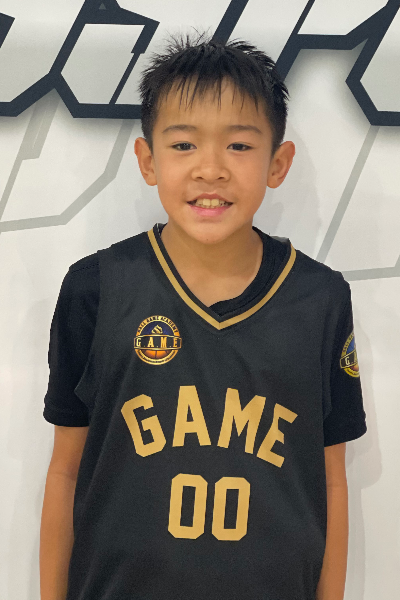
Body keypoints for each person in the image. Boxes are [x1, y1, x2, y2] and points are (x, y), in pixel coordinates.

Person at [40, 29, 367, 600]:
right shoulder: (96, 289)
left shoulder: (320, 298)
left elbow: (331, 481)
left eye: (239, 145)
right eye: (184, 144)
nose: (210, 169)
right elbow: (66, 471)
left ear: (278, 163)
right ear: (147, 160)